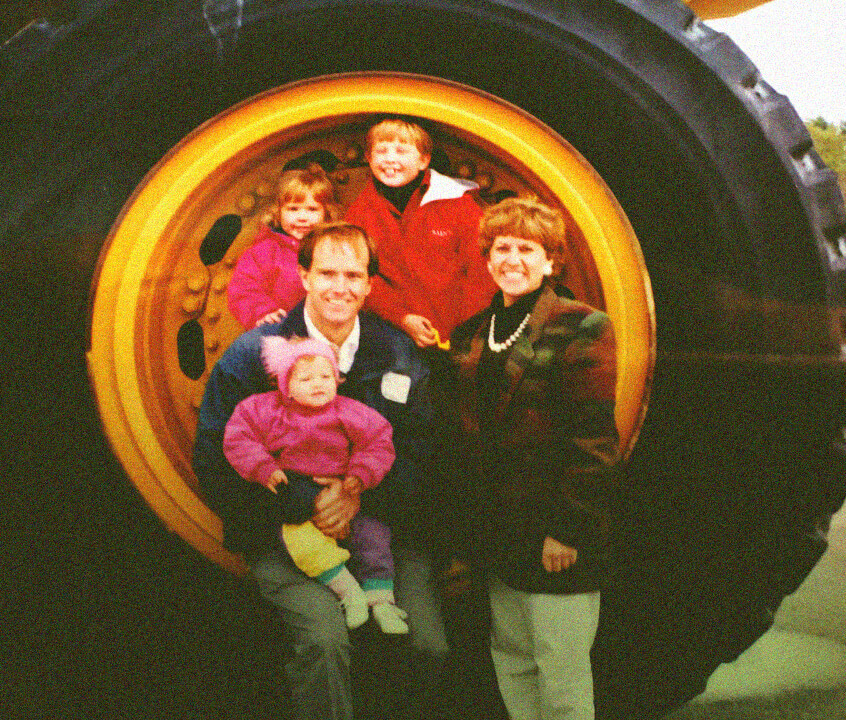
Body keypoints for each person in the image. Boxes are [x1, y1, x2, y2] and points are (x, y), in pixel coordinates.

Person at [194, 222, 448, 720]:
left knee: (429, 646)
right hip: (284, 536)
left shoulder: (399, 353)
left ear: (370, 285)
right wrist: (304, 502)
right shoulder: (253, 356)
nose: (340, 287)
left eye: (353, 275)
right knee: (326, 642)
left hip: (385, 535)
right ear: (303, 276)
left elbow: (429, 455)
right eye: (327, 272)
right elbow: (215, 459)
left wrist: (357, 494)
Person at [437, 197, 620, 720]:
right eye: (501, 248)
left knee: (561, 671)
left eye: (526, 248)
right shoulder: (474, 331)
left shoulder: (582, 326)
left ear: (550, 261)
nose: (511, 259)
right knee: (513, 660)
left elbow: (593, 439)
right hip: (499, 530)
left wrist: (567, 528)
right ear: (487, 258)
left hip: (554, 533)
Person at [222, 336, 408, 634]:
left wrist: (361, 474)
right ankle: (349, 592)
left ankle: (381, 600)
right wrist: (263, 467)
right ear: (285, 386)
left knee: (374, 536)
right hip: (294, 496)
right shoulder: (264, 409)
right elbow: (239, 436)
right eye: (305, 378)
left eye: (325, 376)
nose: (318, 383)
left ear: (337, 379)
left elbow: (378, 441)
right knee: (299, 542)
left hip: (344, 489)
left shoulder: (347, 410)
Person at [345, 117, 497, 347]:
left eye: (401, 151)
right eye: (382, 151)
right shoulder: (360, 212)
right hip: (394, 331)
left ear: (424, 160)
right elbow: (359, 275)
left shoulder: (458, 205)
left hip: (460, 336)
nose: (390, 159)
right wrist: (401, 318)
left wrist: (459, 332)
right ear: (368, 158)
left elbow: (482, 273)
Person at [227, 163, 340, 329]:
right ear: (278, 212)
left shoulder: (335, 248)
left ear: (326, 213)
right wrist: (263, 312)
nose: (302, 217)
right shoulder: (266, 250)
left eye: (312, 209)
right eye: (293, 209)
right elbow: (244, 289)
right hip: (280, 329)